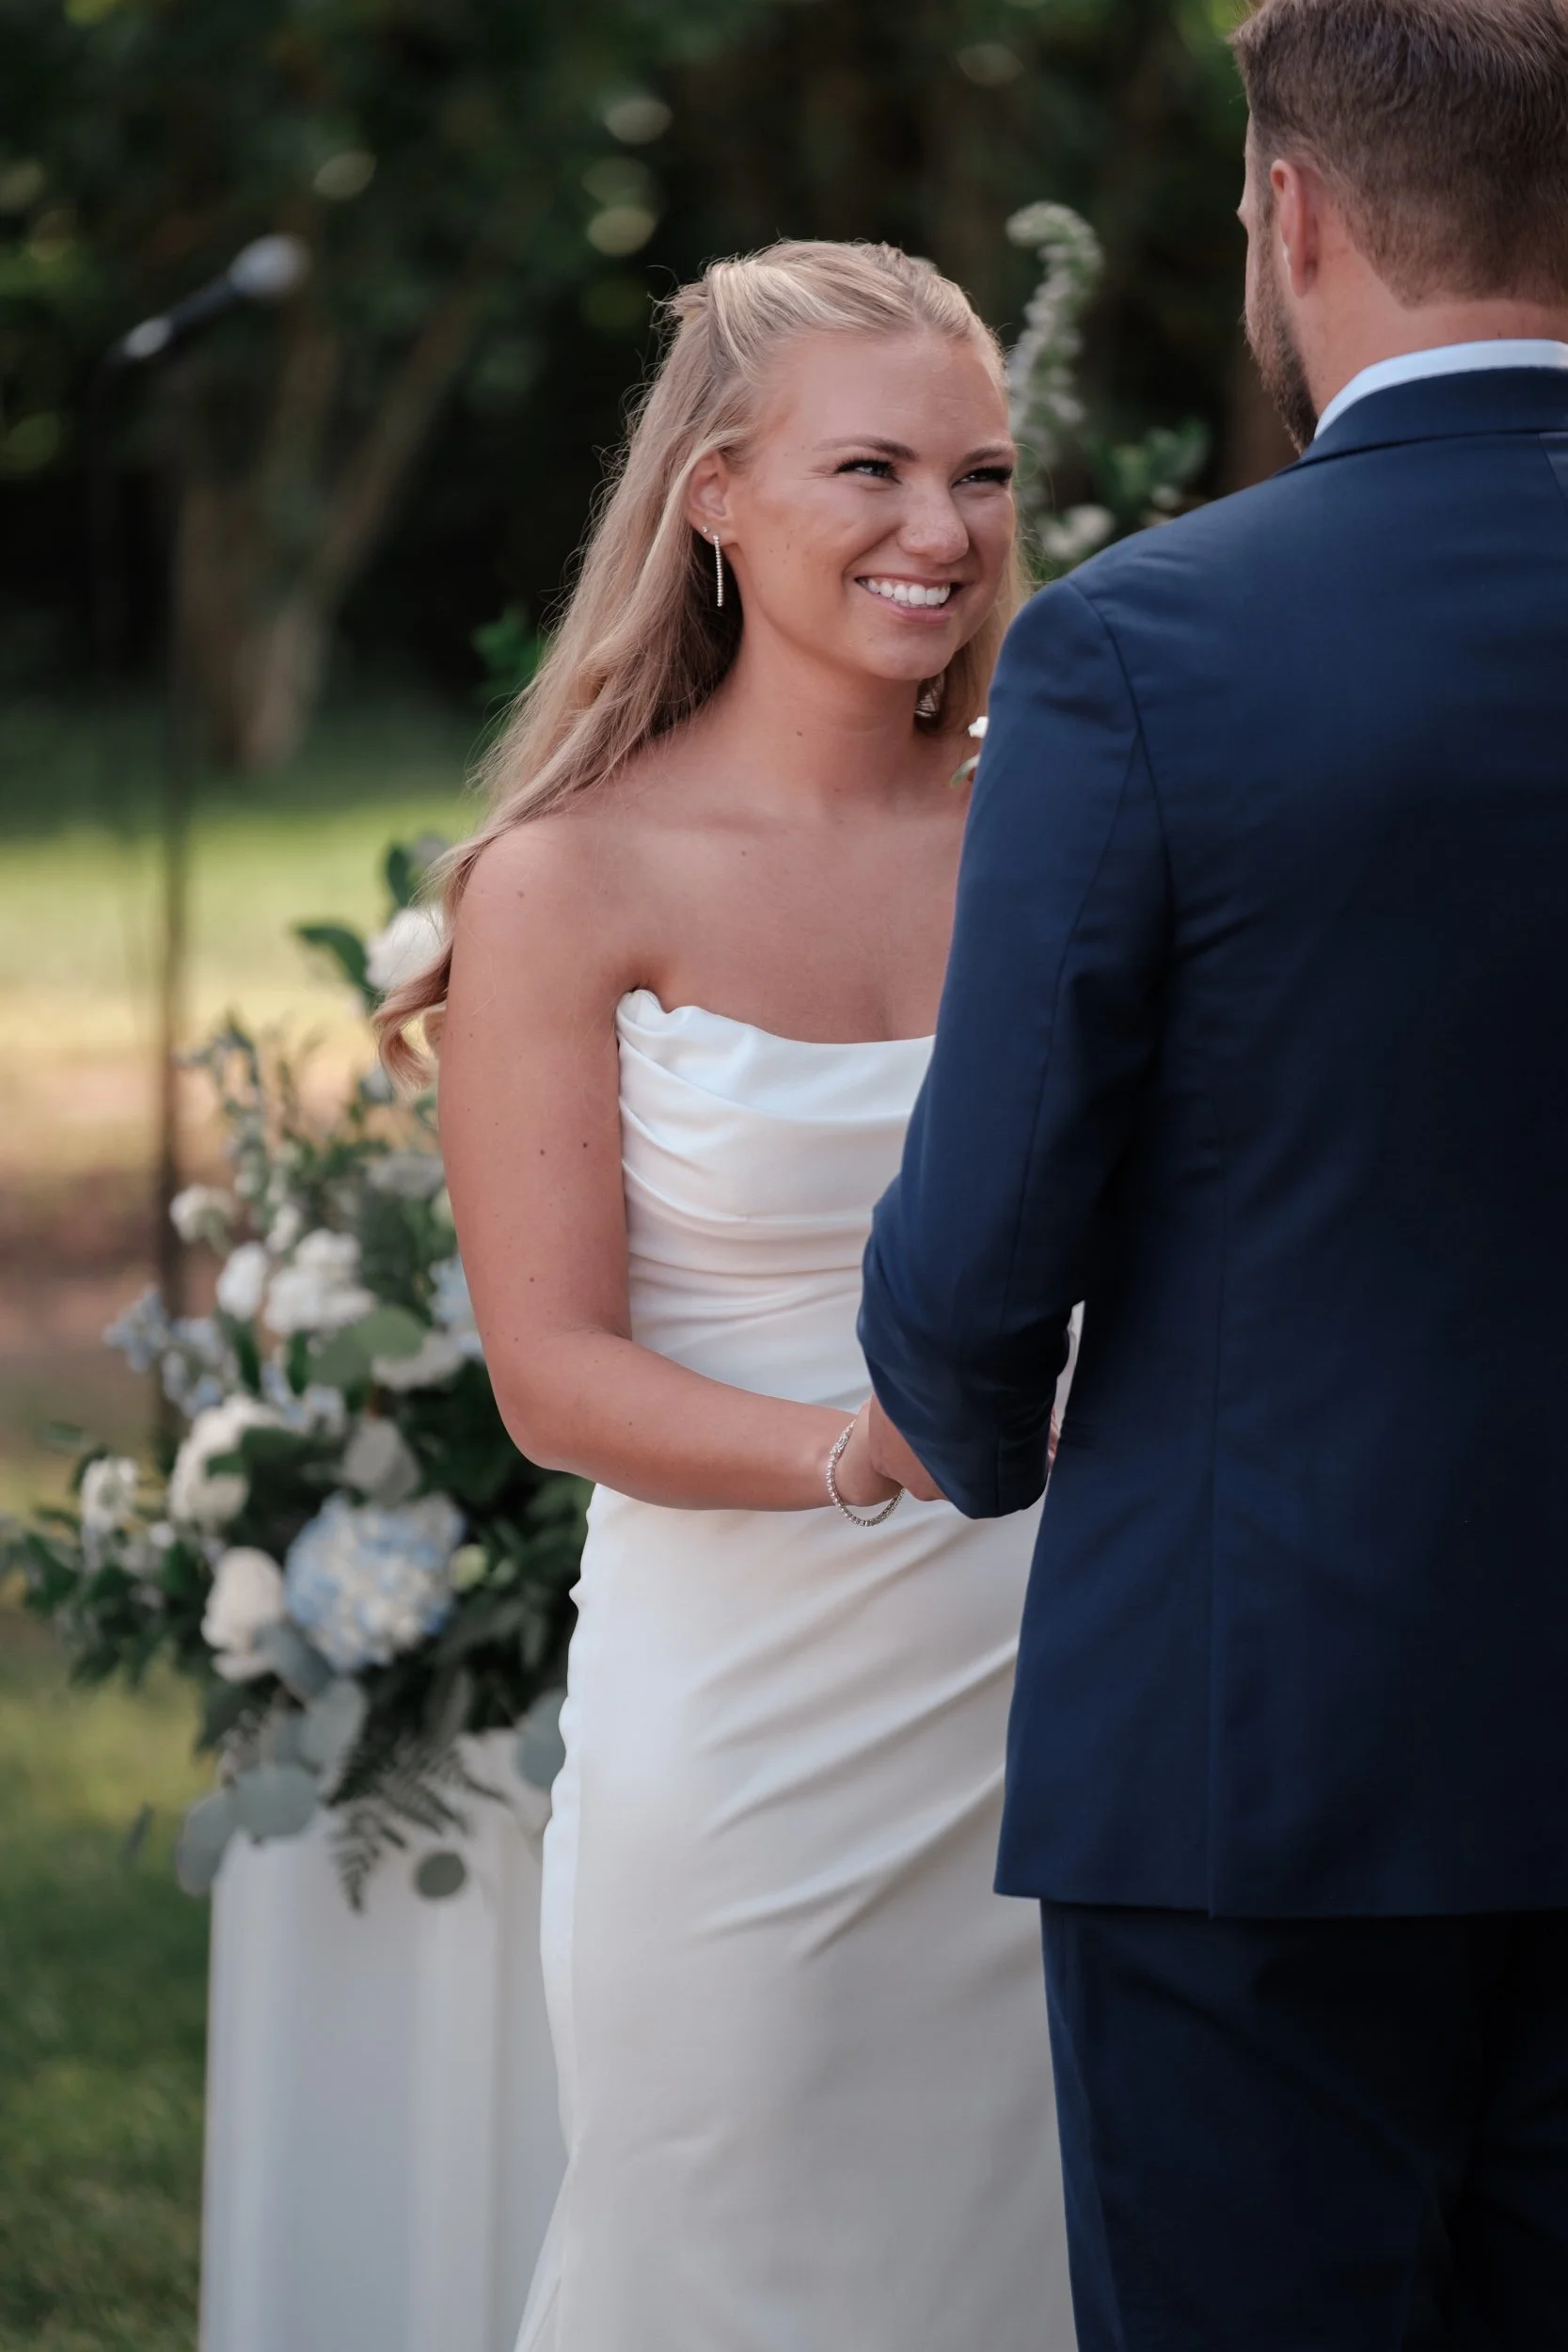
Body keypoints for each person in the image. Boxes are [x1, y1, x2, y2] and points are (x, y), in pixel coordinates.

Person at [858, 1, 1568, 2344]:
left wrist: (964, 1424)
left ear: (1290, 211)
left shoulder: (1146, 646)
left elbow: (983, 1247)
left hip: (1262, 1734)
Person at [377, 241, 1078, 2351]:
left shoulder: (1066, 827)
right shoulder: (566, 878)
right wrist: (867, 1453)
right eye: (870, 469)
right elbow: (553, 1376)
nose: (938, 528)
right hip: (752, 1725)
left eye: (978, 473)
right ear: (713, 495)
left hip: (1072, 1692)